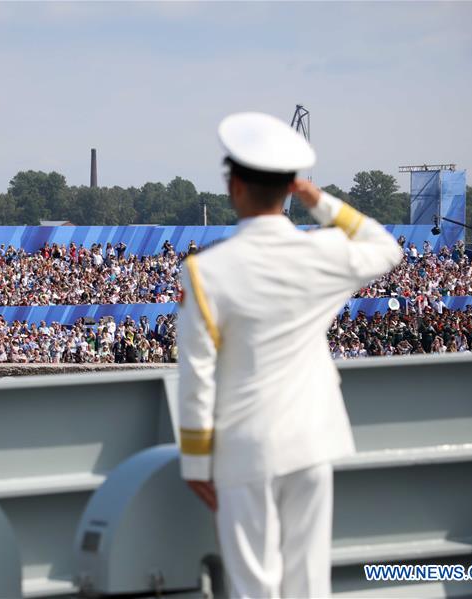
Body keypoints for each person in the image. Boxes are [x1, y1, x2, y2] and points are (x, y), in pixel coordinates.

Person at [177, 112, 402, 598]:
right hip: (313, 438)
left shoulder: (204, 272)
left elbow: (196, 374)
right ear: (290, 186)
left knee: (255, 585)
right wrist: (318, 201)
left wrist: (196, 462)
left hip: (245, 445)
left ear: (234, 184)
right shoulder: (324, 253)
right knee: (308, 583)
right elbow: (385, 248)